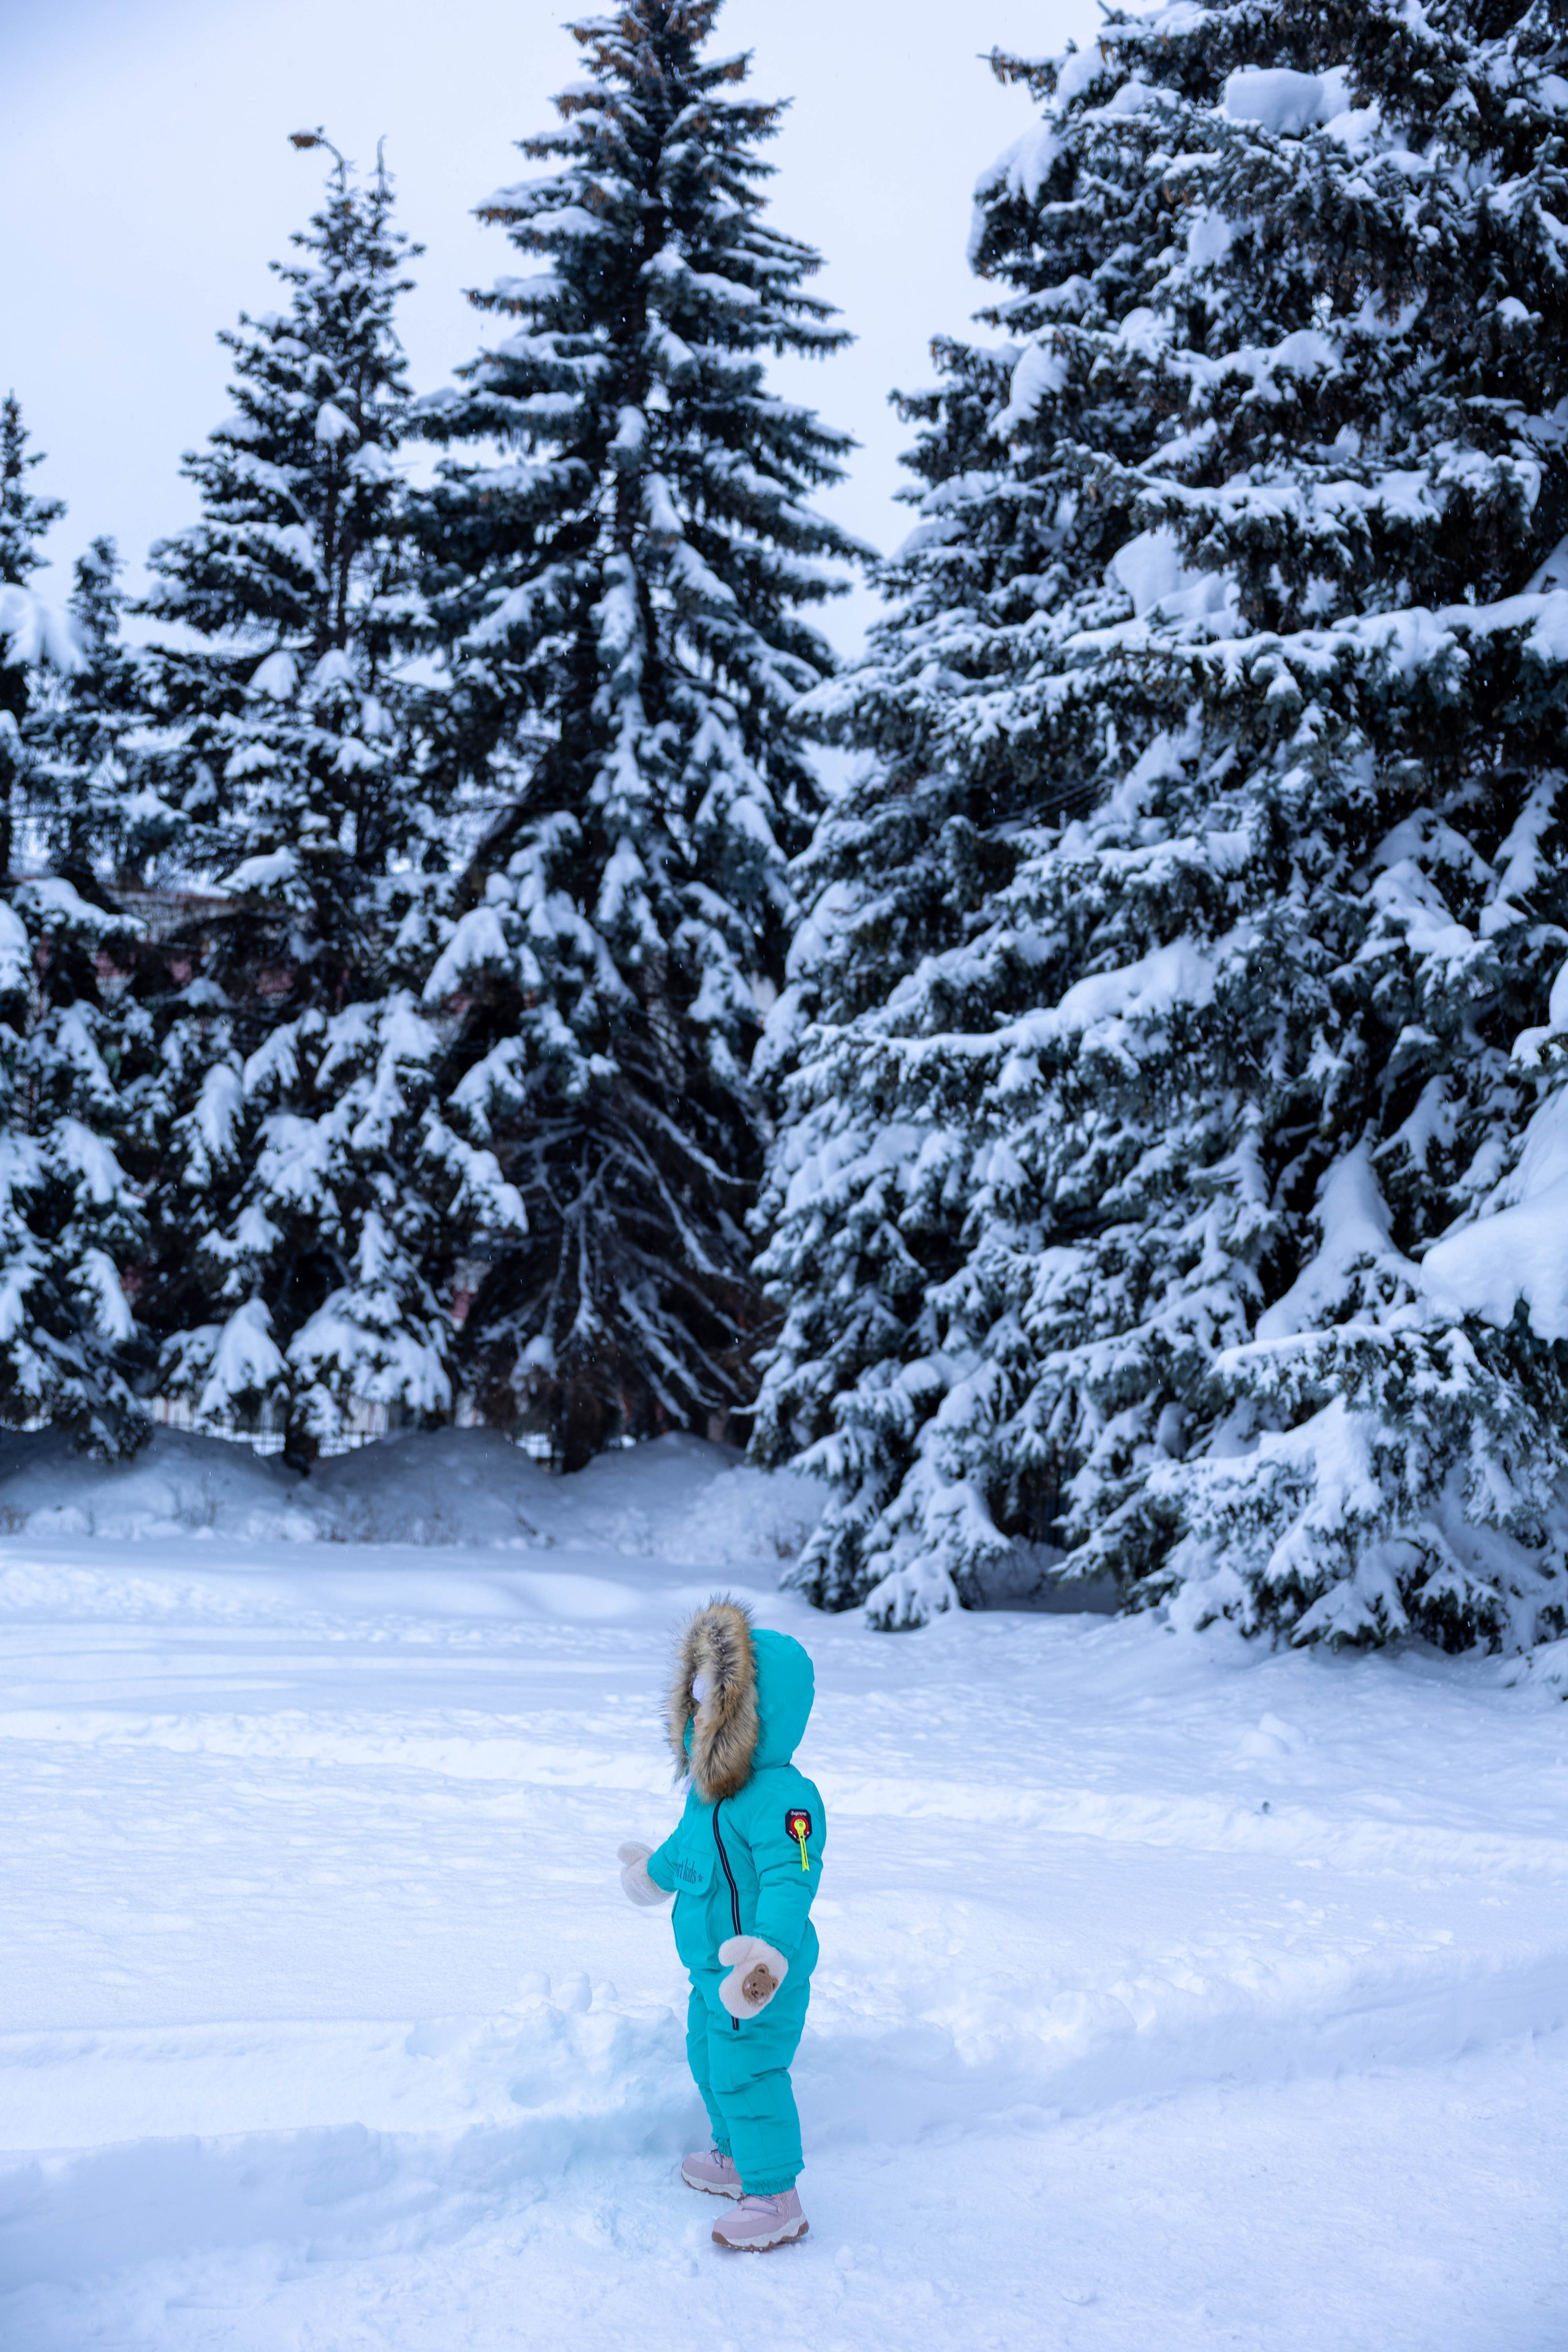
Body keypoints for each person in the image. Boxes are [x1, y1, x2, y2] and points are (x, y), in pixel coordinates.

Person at [618, 1597, 824, 2251]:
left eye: (719, 1702)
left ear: (755, 1715)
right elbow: (687, 1851)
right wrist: (652, 1875)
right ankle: (734, 2158)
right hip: (709, 1974)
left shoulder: (784, 1799)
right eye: (700, 1700)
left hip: (757, 1976)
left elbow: (793, 1879)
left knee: (748, 2073)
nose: (703, 1713)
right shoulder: (708, 1793)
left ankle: (775, 2197)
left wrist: (768, 1956)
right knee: (709, 2062)